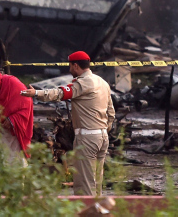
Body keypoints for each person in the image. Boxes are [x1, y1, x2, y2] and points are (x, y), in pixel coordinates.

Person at [21, 51, 115, 196]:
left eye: (70, 66)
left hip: (88, 138)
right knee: (97, 181)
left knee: (85, 184)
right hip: (102, 137)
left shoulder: (82, 83)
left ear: (75, 66)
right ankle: (98, 207)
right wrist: (103, 130)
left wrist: (36, 93)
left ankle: (87, 208)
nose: (69, 69)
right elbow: (111, 112)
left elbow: (60, 93)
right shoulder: (102, 82)